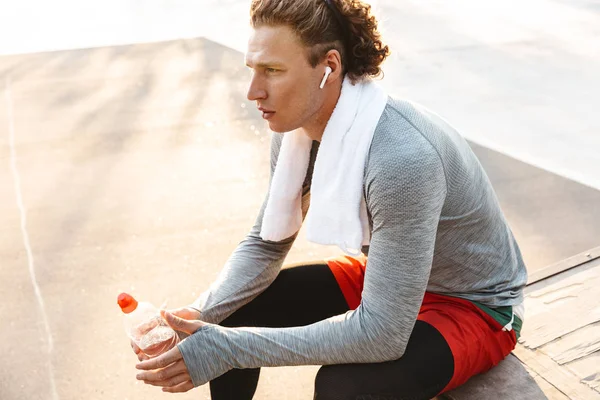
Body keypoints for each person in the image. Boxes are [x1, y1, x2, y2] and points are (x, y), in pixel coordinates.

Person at [133, 0, 528, 399]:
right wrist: (200, 314)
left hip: (473, 304)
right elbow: (264, 244)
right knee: (237, 310)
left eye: (273, 71)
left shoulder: (401, 160)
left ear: (330, 68)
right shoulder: (295, 132)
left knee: (343, 387)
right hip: (388, 273)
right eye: (252, 69)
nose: (254, 91)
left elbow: (382, 334)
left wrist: (231, 348)